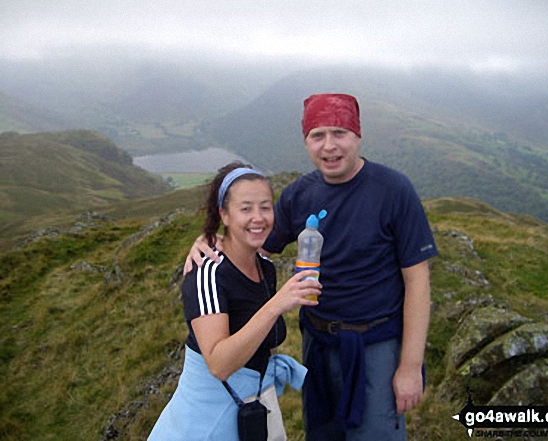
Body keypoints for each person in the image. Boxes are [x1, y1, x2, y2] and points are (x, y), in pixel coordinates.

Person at [184, 94, 438, 441]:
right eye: (317, 135)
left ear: (357, 137)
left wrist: (409, 366)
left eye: (340, 133)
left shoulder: (394, 191)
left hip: (376, 345)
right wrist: (211, 240)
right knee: (322, 433)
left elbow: (418, 281)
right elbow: (255, 242)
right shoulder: (298, 195)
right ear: (306, 141)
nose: (329, 146)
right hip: (317, 343)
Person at [149, 162, 322, 441]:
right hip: (205, 423)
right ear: (224, 215)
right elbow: (219, 365)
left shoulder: (264, 267)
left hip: (253, 407)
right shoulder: (208, 274)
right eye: (246, 208)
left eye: (265, 207)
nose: (258, 217)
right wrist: (277, 305)